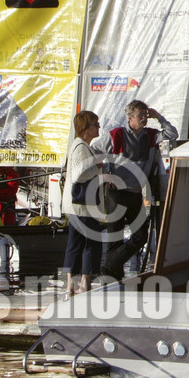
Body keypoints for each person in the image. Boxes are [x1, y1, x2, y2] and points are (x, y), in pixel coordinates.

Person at [91, 100, 178, 276]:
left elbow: (172, 134)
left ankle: (108, 267)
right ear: (130, 118)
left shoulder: (151, 135)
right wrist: (105, 173)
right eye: (141, 115)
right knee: (115, 236)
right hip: (116, 193)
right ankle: (113, 276)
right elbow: (93, 150)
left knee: (140, 236)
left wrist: (159, 117)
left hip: (136, 192)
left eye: (146, 114)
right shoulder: (116, 135)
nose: (145, 118)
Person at [63, 110, 103, 293]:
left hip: (77, 206)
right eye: (95, 124)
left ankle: (71, 283)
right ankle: (83, 283)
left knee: (75, 244)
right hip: (83, 206)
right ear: (86, 128)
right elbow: (79, 174)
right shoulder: (80, 147)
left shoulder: (79, 145)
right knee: (91, 243)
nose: (99, 127)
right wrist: (98, 166)